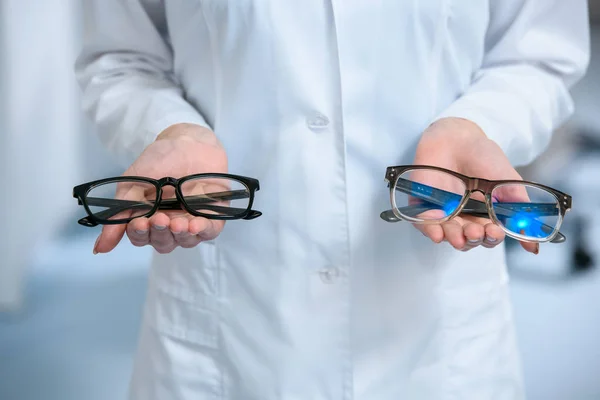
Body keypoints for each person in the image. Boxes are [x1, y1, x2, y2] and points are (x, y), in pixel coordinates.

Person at [75, 1, 590, 399]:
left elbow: (538, 53)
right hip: (229, 317)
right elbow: (122, 57)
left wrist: (480, 124)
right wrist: (170, 128)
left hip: (437, 325)